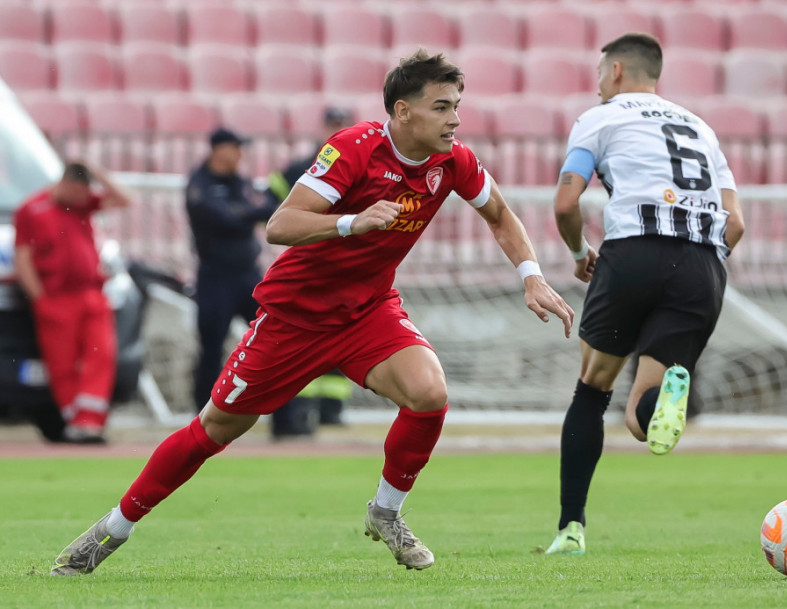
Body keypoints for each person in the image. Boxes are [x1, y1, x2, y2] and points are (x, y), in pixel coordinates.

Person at [51, 48, 575, 575]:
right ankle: (112, 528)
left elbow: (500, 214)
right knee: (214, 430)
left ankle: (386, 513)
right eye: (441, 107)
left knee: (429, 394)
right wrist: (352, 221)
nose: (455, 119)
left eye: (457, 106)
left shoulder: (453, 160)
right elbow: (281, 224)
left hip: (368, 311)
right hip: (295, 317)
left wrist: (531, 276)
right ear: (403, 111)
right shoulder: (353, 148)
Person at [545, 33, 745, 555]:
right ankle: (667, 397)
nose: (597, 83)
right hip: (702, 266)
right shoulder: (701, 128)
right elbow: (737, 224)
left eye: (599, 72)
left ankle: (571, 529)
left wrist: (579, 253)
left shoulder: (601, 118)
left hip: (633, 251)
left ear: (615, 71)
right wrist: (698, 263)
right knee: (643, 422)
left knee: (593, 389)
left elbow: (566, 203)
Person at [13, 162, 131, 443]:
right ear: (64, 184)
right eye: (78, 192)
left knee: (101, 355)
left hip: (91, 294)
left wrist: (96, 171)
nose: (83, 198)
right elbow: (23, 257)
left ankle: (89, 423)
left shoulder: (82, 203)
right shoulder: (31, 209)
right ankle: (75, 423)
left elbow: (124, 199)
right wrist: (39, 298)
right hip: (57, 298)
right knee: (62, 363)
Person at [266, 107, 356, 437]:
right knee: (306, 336)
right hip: (310, 264)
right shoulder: (303, 166)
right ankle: (301, 412)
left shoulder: (358, 164)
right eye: (333, 123)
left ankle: (332, 409)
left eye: (341, 123)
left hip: (344, 267)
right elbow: (269, 203)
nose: (337, 128)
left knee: (339, 336)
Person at [186, 127, 277, 413]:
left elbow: (267, 208)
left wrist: (243, 212)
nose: (240, 154)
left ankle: (285, 419)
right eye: (235, 147)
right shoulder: (199, 184)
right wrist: (248, 212)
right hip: (215, 278)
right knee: (212, 348)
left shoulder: (241, 181)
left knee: (275, 337)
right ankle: (202, 416)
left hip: (248, 275)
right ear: (219, 150)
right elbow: (223, 217)